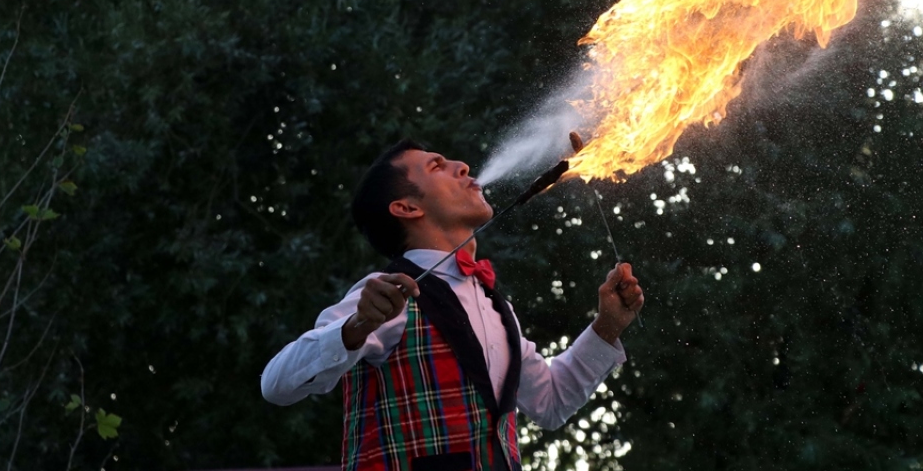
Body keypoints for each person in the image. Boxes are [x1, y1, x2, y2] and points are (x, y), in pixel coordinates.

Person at [261, 140, 645, 471]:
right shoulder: (383, 296)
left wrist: (607, 327)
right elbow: (276, 384)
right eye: (437, 166)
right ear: (407, 208)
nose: (462, 166)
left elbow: (550, 403)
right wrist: (357, 326)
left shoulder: (498, 310)